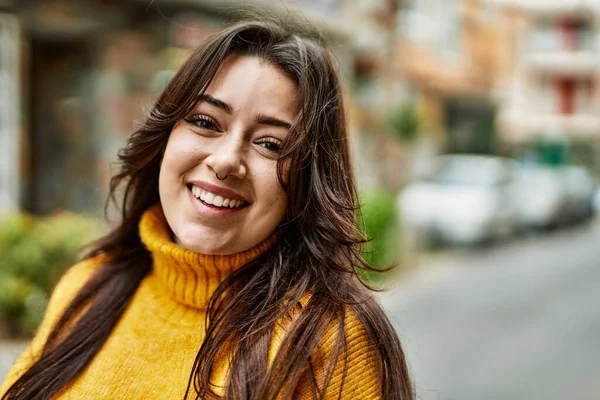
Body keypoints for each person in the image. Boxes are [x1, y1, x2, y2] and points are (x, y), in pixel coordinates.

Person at [1, 15, 413, 400]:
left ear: (307, 181)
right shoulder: (87, 287)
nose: (226, 160)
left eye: (270, 144)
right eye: (205, 122)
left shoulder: (329, 340)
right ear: (165, 136)